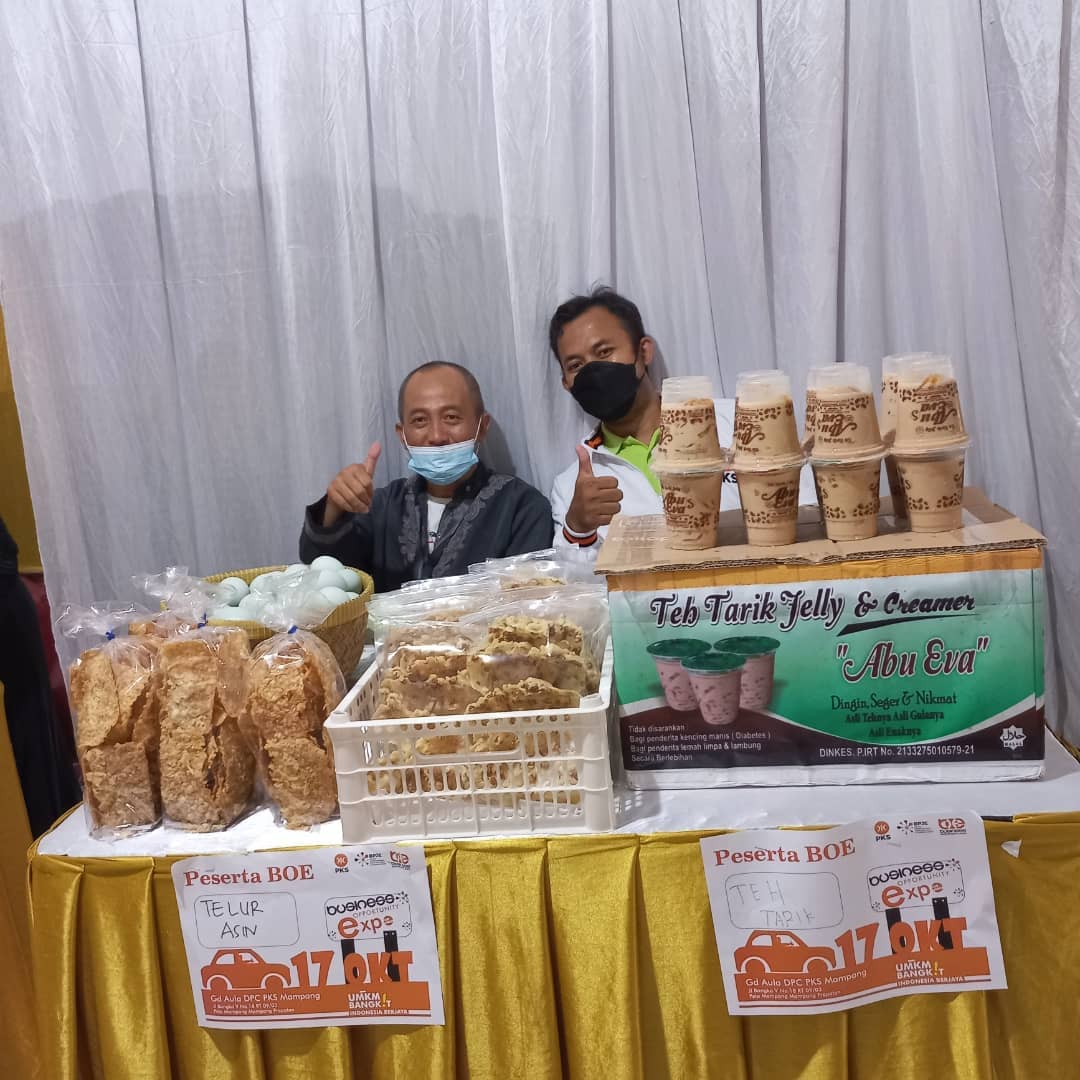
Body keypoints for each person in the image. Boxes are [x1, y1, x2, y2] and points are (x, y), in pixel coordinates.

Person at [548, 287, 814, 555]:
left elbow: (810, 517)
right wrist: (578, 529)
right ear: (566, 384)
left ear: (643, 351)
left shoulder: (740, 424)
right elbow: (571, 575)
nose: (593, 370)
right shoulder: (572, 487)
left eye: (604, 351)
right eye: (576, 365)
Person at [301, 361, 554, 592]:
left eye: (451, 417)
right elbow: (327, 579)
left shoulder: (521, 508)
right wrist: (334, 507)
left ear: (482, 427)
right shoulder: (381, 506)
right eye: (420, 420)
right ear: (402, 435)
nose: (436, 436)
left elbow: (528, 602)